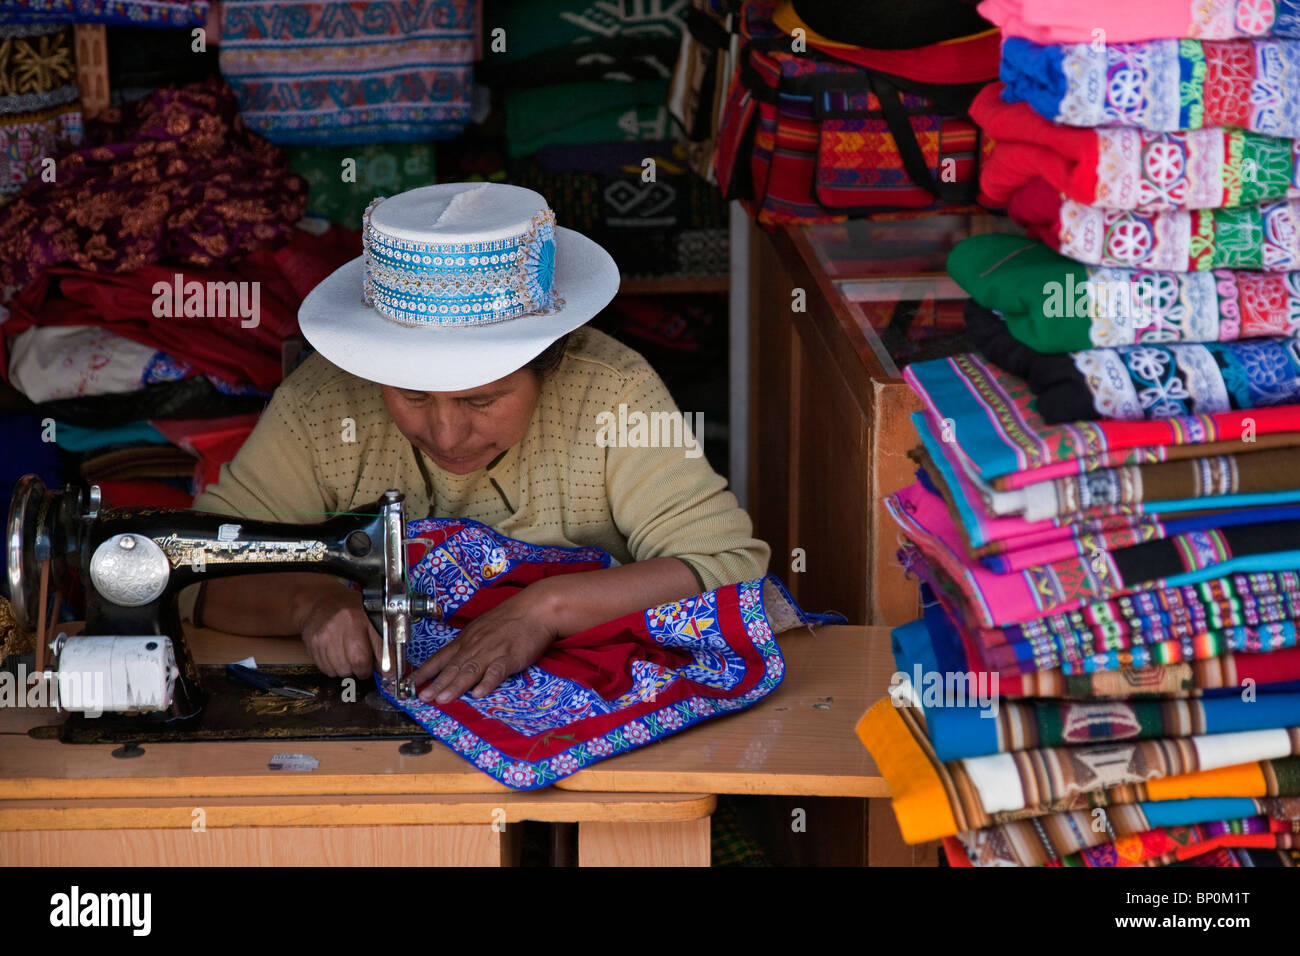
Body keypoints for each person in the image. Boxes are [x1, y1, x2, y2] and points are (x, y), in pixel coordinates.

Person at [180, 182, 768, 706]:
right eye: (412, 396)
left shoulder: (612, 396)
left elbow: (730, 570)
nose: (446, 433)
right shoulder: (325, 405)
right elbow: (197, 567)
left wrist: (545, 609)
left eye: (481, 401)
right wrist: (308, 603)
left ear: (549, 361)